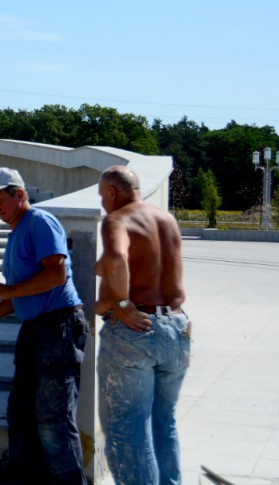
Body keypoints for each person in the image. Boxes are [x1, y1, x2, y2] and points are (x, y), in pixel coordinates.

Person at [0, 167, 88, 485]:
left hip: (58, 328)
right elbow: (27, 292)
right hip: (36, 330)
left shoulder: (40, 223)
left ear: (19, 194)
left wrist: (5, 291)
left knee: (53, 418)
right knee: (21, 411)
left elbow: (55, 276)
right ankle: (23, 479)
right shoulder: (17, 233)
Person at [94, 165, 191, 485]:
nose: (102, 205)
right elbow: (138, 260)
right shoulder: (166, 219)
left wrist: (120, 303)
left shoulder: (117, 220)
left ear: (112, 191)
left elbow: (117, 259)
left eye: (101, 197)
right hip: (176, 327)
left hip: (137, 334)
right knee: (164, 422)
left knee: (128, 428)